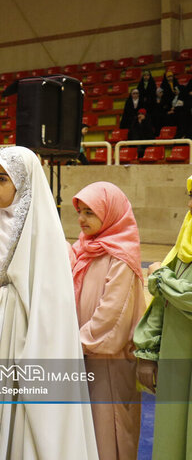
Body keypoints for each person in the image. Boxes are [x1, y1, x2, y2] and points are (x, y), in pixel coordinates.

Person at [0, 146, 98, 460]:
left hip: (24, 338)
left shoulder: (40, 230)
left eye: (2, 179)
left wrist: (3, 295)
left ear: (23, 183)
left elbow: (48, 299)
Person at [70, 182, 145, 460]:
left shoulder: (121, 257)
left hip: (108, 360)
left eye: (90, 212)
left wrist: (78, 342)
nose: (82, 219)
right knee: (87, 427)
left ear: (109, 213)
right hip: (85, 354)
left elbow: (113, 313)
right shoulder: (84, 247)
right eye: (80, 211)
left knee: (108, 429)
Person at [134, 174, 192, 460]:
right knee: (171, 436)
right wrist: (148, 353)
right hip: (176, 357)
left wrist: (159, 276)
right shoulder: (184, 243)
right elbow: (160, 304)